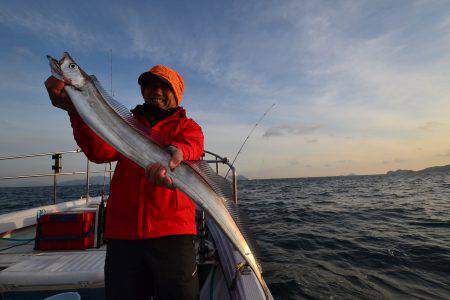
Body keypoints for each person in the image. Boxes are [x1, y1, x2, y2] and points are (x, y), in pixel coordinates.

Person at [45, 65, 204, 300]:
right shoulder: (124, 121)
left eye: (163, 86)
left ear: (176, 92)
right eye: (149, 85)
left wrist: (178, 151)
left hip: (173, 234)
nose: (155, 91)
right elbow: (100, 152)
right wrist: (75, 111)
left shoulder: (188, 127)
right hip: (123, 235)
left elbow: (194, 146)